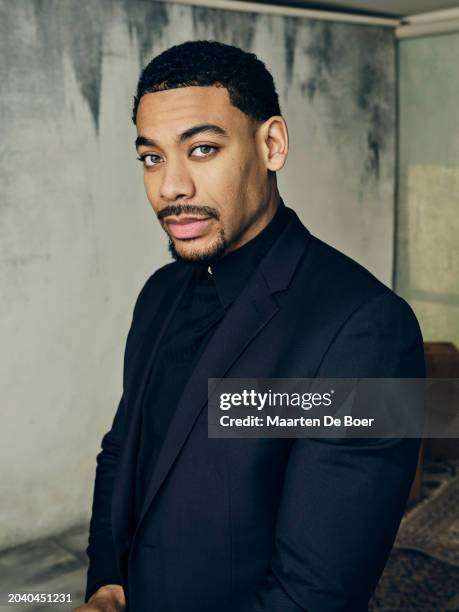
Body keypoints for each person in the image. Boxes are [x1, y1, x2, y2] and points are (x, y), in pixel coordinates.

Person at [76, 40, 425, 612]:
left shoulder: (371, 331)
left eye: (204, 149)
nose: (170, 187)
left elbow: (314, 596)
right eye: (151, 157)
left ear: (272, 144)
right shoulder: (159, 294)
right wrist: (108, 582)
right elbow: (122, 451)